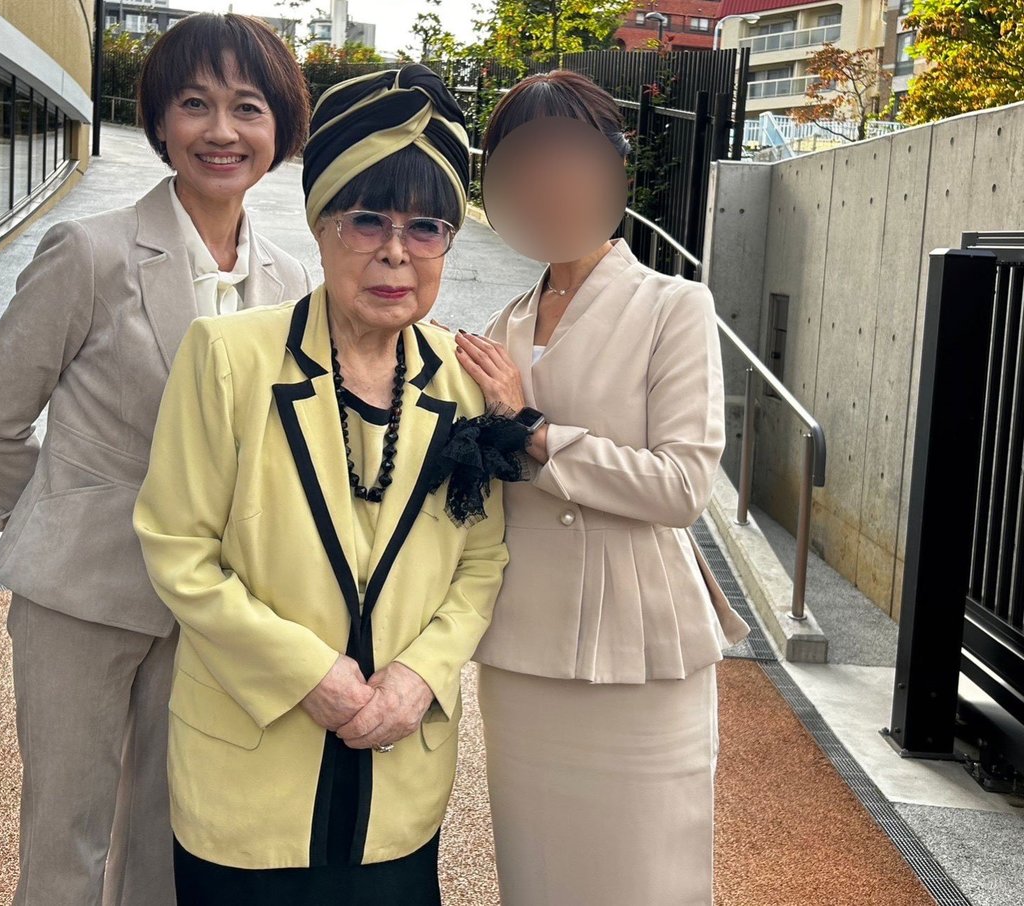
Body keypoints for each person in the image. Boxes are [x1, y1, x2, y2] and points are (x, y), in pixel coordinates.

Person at [133, 64, 518, 906]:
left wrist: (421, 675)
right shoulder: (228, 357)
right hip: (248, 771)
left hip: (399, 776)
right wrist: (308, 672)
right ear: (319, 223)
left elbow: (482, 559)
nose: (395, 251)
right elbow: (178, 548)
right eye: (367, 218)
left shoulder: (464, 381)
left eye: (427, 228)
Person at [0, 14, 312, 905]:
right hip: (80, 594)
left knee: (168, 835)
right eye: (195, 104)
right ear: (158, 120)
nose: (222, 130)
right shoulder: (91, 252)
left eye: (248, 107)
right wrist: (54, 513)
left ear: (280, 130)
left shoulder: (290, 283)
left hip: (210, 607)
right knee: (65, 838)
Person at [455, 70, 751, 906]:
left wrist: (534, 429)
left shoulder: (674, 306)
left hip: (641, 644)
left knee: (645, 873)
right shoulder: (502, 325)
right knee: (537, 872)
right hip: (525, 645)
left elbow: (683, 486)